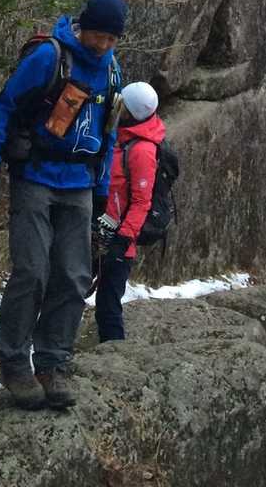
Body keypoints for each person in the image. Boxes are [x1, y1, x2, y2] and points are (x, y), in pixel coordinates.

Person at [0, 0, 127, 410]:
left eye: (112, 39)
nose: (103, 45)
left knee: (74, 275)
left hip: (80, 184)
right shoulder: (50, 56)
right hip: (35, 175)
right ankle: (14, 362)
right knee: (32, 270)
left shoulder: (113, 71)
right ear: (84, 26)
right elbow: (5, 105)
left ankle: (52, 362)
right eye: (98, 35)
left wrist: (101, 190)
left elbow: (109, 133)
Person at [93, 80, 165, 343]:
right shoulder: (122, 138)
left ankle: (115, 356)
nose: (117, 109)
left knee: (108, 305)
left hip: (118, 241)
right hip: (102, 231)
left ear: (133, 113)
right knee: (75, 290)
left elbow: (141, 201)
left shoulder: (142, 150)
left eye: (123, 106)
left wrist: (122, 240)